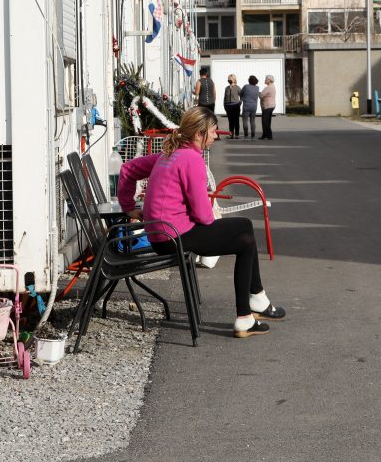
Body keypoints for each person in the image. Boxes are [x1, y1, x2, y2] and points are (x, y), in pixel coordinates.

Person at [117, 107, 285, 338]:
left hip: (161, 234)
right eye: (213, 132)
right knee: (244, 231)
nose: (216, 136)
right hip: (174, 236)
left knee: (245, 236)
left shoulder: (169, 153)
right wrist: (210, 209)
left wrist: (128, 206)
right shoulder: (191, 160)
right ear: (199, 134)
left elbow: (127, 169)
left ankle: (253, 306)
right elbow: (203, 216)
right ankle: (251, 308)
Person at [223, 74, 242, 138]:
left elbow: (242, 96)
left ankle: (237, 134)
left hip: (236, 106)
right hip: (228, 106)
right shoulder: (227, 88)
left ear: (234, 79)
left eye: (230, 79)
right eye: (228, 79)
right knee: (230, 121)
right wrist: (224, 105)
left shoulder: (237, 87)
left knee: (236, 121)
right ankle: (231, 134)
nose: (229, 80)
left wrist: (240, 102)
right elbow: (225, 97)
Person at [260, 75, 277, 140]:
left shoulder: (269, 87)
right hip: (271, 106)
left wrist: (258, 93)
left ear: (269, 80)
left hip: (267, 106)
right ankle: (265, 135)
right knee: (267, 121)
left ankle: (269, 135)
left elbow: (261, 95)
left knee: (265, 122)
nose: (265, 80)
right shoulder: (272, 86)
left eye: (266, 79)